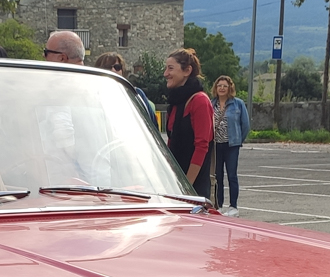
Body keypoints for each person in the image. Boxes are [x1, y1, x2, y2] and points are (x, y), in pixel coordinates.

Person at [163, 48, 213, 199]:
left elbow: (202, 146)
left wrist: (186, 187)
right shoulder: (176, 102)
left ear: (187, 71)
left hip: (193, 187)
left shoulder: (199, 101)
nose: (165, 74)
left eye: (170, 68)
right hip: (175, 183)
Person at [210, 74, 249, 215]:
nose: (221, 88)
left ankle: (233, 206)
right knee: (217, 176)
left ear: (229, 88)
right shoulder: (211, 103)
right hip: (216, 145)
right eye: (219, 85)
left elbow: (245, 125)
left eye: (224, 86)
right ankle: (218, 205)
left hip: (232, 145)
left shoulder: (237, 103)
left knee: (232, 175)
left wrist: (238, 140)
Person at [93, 52, 157, 129]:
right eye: (107, 67)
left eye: (117, 67)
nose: (113, 70)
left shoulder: (135, 94)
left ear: (122, 70)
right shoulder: (93, 96)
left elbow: (153, 127)